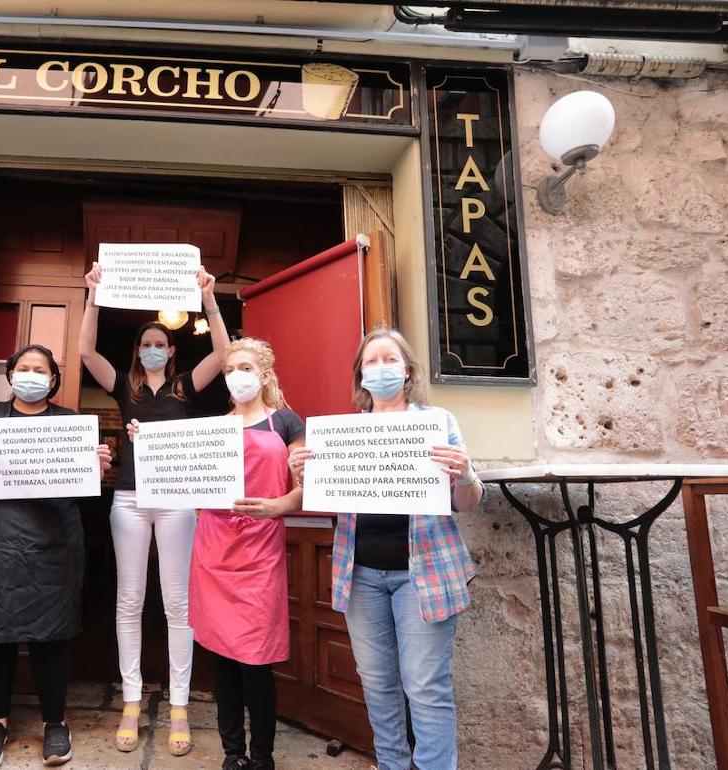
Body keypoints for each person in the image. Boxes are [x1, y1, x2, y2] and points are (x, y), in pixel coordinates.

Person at [288, 328, 483, 770]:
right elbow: (323, 502)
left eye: (388, 359)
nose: (380, 368)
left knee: (426, 688)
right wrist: (305, 475)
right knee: (377, 685)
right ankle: (392, 765)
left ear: (408, 369)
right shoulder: (343, 434)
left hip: (424, 575)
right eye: (370, 361)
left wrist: (466, 474)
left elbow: (468, 503)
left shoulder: (437, 422)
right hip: (361, 576)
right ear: (360, 374)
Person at [131, 337, 304, 770]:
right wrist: (148, 443)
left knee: (255, 660)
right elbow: (179, 479)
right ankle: (233, 754)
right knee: (223, 657)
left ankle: (262, 756)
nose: (235, 376)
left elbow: (306, 485)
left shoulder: (286, 421)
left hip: (261, 552)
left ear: (264, 375)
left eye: (244, 368)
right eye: (229, 370)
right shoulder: (214, 426)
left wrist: (278, 506)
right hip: (213, 548)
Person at [78, 261, 229, 755]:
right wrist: (94, 295)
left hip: (178, 502)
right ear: (138, 351)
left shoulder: (186, 386)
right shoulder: (124, 386)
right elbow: (83, 351)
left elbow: (225, 353)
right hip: (129, 499)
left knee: (178, 603)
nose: (153, 349)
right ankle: (132, 699)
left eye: (161, 343)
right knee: (129, 600)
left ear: (173, 350)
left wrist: (208, 298)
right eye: (146, 343)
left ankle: (180, 704)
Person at [0, 344, 113, 769]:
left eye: (40, 369)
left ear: (53, 379)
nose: (32, 374)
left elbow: (84, 486)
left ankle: (55, 722)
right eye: (24, 367)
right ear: (10, 373)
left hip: (54, 539)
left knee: (52, 633)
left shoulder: (71, 423)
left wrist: (96, 468)